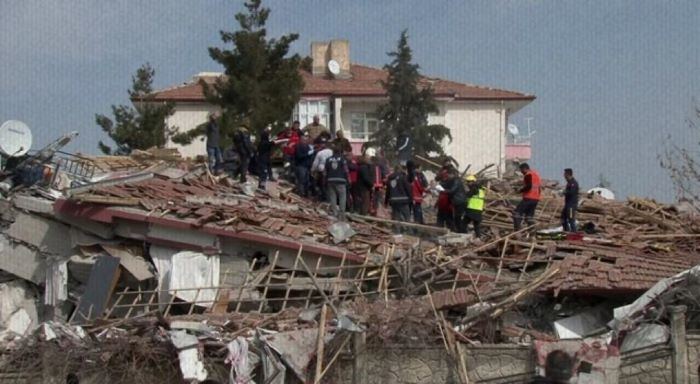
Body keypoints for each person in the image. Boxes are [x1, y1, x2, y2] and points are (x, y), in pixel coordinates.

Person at [513, 163, 541, 231]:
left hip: (528, 198)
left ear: (524, 169)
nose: (521, 172)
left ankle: (517, 231)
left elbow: (529, 186)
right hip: (536, 199)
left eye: (521, 170)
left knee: (517, 213)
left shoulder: (528, 175)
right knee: (529, 216)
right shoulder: (536, 175)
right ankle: (531, 231)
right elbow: (539, 188)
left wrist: (520, 190)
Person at [325, 146, 349, 220]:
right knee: (342, 197)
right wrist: (349, 179)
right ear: (340, 152)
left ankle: (334, 213)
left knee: (333, 197)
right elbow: (346, 170)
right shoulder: (342, 159)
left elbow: (325, 171)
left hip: (330, 180)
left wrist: (325, 179)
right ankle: (341, 214)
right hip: (340, 180)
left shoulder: (328, 159)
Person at [441, 168, 468, 233]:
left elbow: (452, 190)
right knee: (456, 217)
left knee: (458, 217)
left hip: (460, 201)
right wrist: (439, 184)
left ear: (452, 174)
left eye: (449, 175)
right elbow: (446, 185)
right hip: (457, 201)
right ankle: (460, 230)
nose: (448, 176)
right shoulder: (452, 180)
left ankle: (462, 231)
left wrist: (443, 190)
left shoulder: (456, 181)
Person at [435, 161, 455, 230]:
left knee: (448, 215)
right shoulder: (442, 171)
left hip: (447, 198)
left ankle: (449, 228)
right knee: (442, 214)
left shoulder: (452, 174)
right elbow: (437, 178)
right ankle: (441, 228)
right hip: (444, 197)